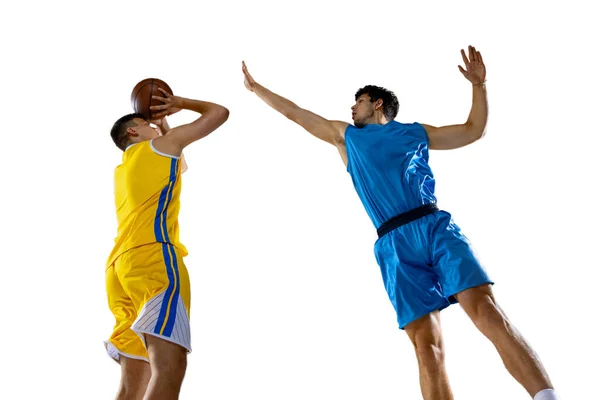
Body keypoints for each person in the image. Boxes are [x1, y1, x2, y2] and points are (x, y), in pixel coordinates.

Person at [241, 46, 558, 400]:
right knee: (427, 348)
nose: (352, 107)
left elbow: (472, 131)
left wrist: (479, 86)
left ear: (377, 104)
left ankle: (547, 397)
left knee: (487, 313)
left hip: (434, 228)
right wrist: (256, 89)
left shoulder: (413, 133)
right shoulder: (346, 137)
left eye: (358, 101)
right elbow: (296, 114)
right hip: (392, 244)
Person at [105, 87, 229, 400]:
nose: (155, 126)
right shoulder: (159, 147)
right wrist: (180, 104)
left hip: (120, 269)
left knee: (134, 385)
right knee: (169, 368)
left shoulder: (125, 168)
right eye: (147, 124)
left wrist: (163, 129)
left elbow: (179, 167)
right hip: (155, 260)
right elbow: (219, 113)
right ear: (133, 130)